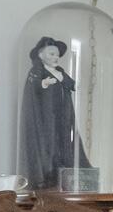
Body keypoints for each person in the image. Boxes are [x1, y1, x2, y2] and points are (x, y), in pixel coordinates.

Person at [19, 37, 93, 189]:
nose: (55, 58)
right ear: (41, 55)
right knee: (49, 141)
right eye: (51, 54)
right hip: (46, 116)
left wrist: (75, 84)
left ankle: (66, 168)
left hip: (64, 115)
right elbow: (33, 89)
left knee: (65, 138)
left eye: (57, 55)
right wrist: (44, 83)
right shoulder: (37, 71)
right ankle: (48, 173)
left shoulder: (60, 72)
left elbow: (71, 84)